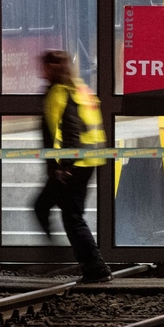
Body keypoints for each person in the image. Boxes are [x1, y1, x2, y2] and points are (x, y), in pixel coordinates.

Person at [34, 50, 112, 283]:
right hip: (86, 161)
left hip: (73, 164)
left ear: (51, 68)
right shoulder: (80, 88)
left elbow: (69, 129)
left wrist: (64, 165)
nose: (41, 71)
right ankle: (58, 253)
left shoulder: (60, 92)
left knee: (71, 216)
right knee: (45, 206)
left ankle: (95, 268)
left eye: (44, 66)